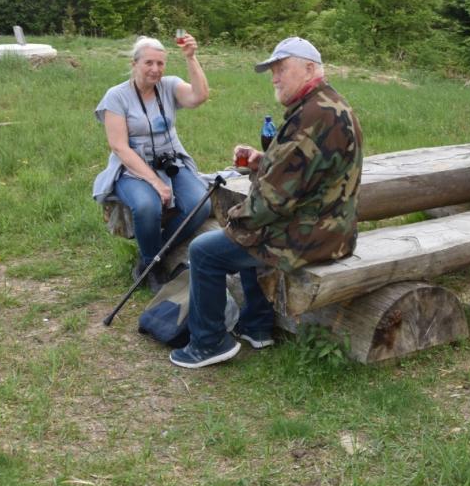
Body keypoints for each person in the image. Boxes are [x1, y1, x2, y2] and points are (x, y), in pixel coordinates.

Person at [170, 36, 363, 369]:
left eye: (281, 69)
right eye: (272, 70)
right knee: (249, 237)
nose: (274, 78)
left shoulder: (310, 118)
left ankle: (208, 343)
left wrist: (233, 220)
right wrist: (264, 161)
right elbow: (306, 172)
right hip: (334, 229)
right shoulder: (329, 105)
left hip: (311, 236)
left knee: (206, 250)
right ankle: (256, 326)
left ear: (309, 69)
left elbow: (268, 206)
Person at [92, 34, 212, 292]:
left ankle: (152, 255)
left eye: (160, 63)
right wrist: (156, 182)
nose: (155, 69)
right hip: (132, 167)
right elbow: (119, 146)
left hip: (170, 160)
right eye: (149, 63)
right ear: (134, 64)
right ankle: (153, 268)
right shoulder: (117, 96)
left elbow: (199, 96)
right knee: (147, 206)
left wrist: (191, 58)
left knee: (200, 204)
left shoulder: (169, 86)